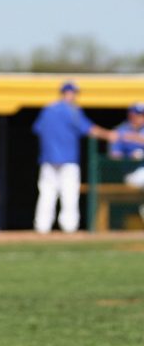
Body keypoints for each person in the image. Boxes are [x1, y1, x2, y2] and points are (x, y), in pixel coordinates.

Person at [32, 81, 117, 234]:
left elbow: (37, 129)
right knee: (68, 193)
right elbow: (89, 129)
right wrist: (109, 135)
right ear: (68, 93)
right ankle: (69, 227)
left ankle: (42, 227)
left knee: (47, 193)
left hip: (48, 158)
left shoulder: (48, 109)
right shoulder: (72, 110)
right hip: (68, 159)